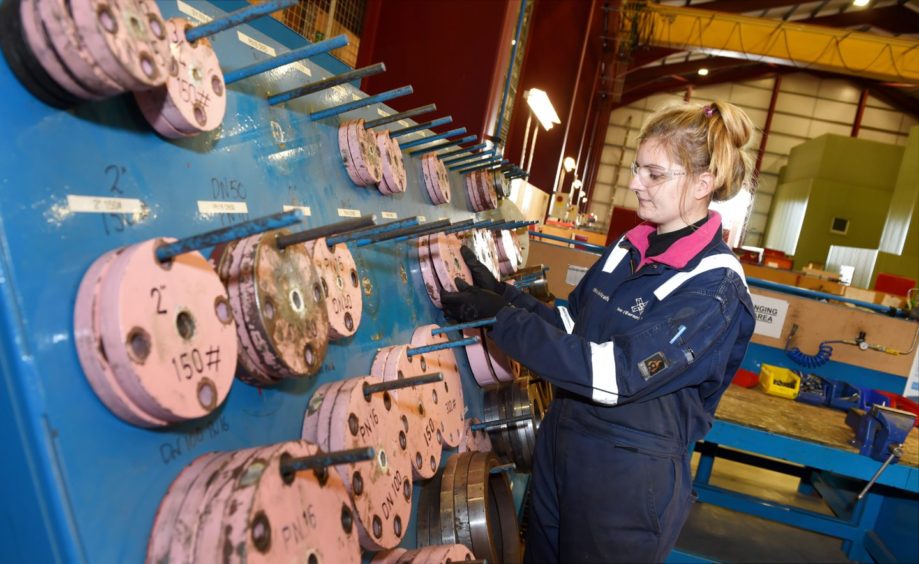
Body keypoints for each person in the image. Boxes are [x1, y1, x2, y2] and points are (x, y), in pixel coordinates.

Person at [441, 100, 757, 563]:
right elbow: (577, 327)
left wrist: (503, 322)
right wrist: (508, 298)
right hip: (564, 445)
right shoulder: (631, 246)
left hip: (626, 478)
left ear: (702, 184)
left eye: (654, 174)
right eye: (636, 168)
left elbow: (618, 374)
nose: (634, 184)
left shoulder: (714, 286)